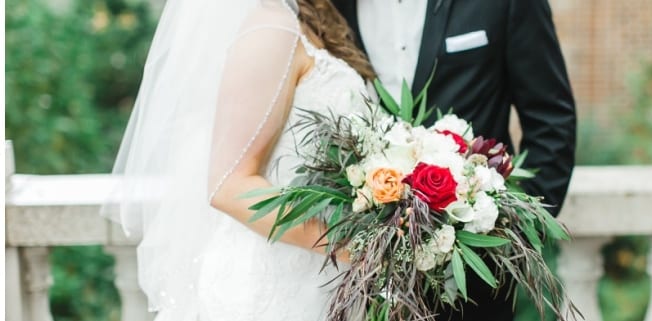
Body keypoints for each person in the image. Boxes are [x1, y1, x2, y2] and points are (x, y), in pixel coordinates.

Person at [102, 0, 374, 320]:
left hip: (317, 278)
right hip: (275, 283)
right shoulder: (270, 29)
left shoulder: (305, 19)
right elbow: (229, 186)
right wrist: (355, 247)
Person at [333, 1, 577, 320]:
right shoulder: (329, 6)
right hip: (357, 278)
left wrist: (510, 238)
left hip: (473, 279)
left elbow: (551, 121)